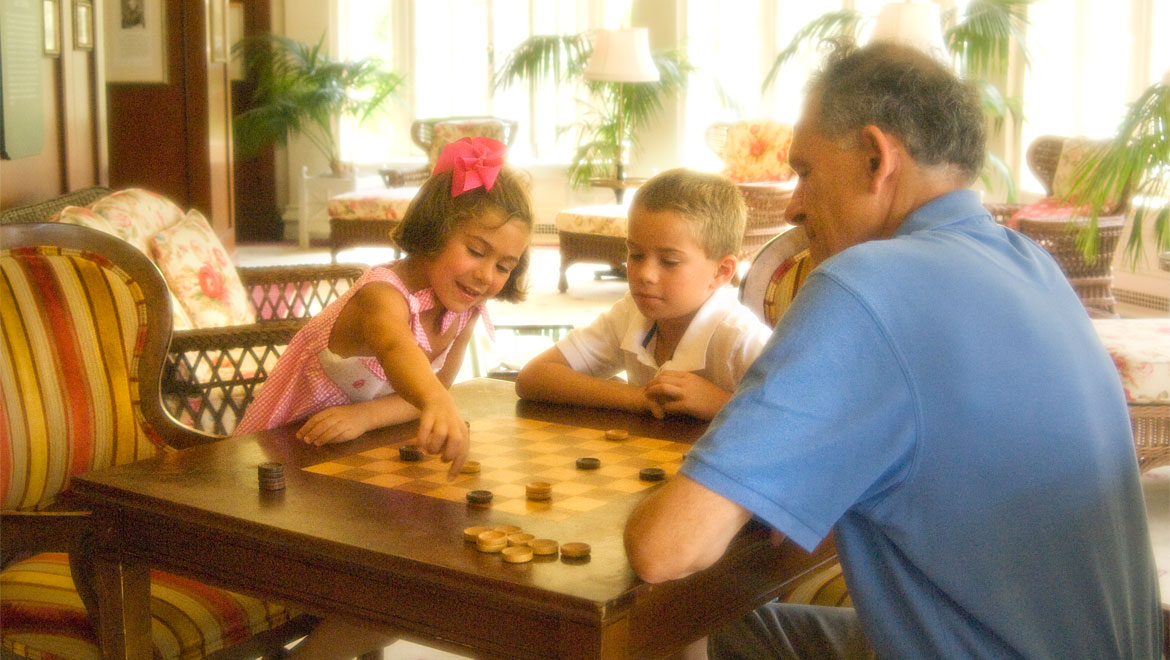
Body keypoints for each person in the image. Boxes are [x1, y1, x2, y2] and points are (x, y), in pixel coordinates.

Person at [624, 41, 1162, 659]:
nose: (794, 203)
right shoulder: (1029, 262)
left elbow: (667, 549)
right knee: (716, 630)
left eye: (805, 170)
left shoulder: (865, 284)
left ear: (877, 158)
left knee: (646, 633)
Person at [233, 137, 532, 660]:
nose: (487, 276)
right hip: (282, 460)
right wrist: (435, 403)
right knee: (396, 586)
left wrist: (372, 413)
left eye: (504, 265)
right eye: (476, 250)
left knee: (430, 569)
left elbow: (434, 390)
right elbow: (399, 353)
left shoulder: (460, 308)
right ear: (434, 232)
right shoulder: (381, 294)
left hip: (352, 460)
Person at [515, 168, 773, 421]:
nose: (645, 274)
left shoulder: (742, 338)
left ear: (721, 271)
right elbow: (534, 377)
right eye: (636, 255)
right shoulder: (631, 313)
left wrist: (719, 403)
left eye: (669, 261)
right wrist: (637, 397)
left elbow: (803, 424)